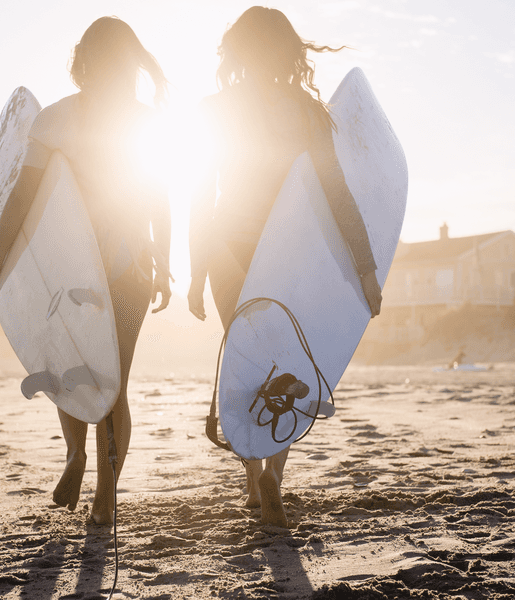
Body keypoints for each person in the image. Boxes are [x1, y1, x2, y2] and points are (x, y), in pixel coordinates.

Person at [187, 6, 382, 527]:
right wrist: (365, 268)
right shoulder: (305, 111)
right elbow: (338, 195)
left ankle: (252, 483)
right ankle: (275, 472)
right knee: (287, 363)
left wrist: (194, 272)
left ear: (236, 52)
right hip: (289, 252)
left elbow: (201, 197)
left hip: (229, 247)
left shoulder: (215, 109)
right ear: (287, 51)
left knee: (247, 363)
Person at [0, 16, 172, 525]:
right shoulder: (144, 121)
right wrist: (167, 260)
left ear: (83, 61)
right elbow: (159, 199)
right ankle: (106, 497)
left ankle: (76, 456)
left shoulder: (57, 120)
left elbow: (22, 197)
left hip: (69, 275)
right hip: (130, 268)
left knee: (72, 373)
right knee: (116, 383)